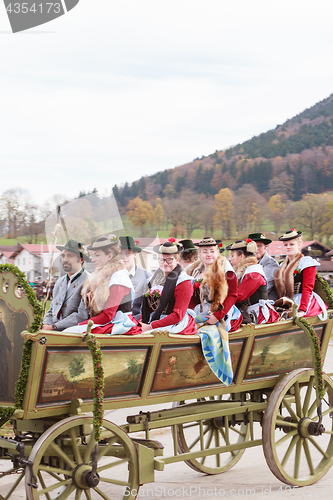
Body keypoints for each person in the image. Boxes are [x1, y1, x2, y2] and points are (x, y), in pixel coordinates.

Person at [66, 235, 141, 335]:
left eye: (97, 255)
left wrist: (81, 325)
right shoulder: (106, 277)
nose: (92, 259)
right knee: (71, 331)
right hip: (110, 322)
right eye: (92, 255)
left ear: (109, 256)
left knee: (72, 332)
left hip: (121, 324)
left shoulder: (118, 277)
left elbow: (108, 316)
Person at [186, 237, 243, 332]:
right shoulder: (196, 272)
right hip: (201, 311)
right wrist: (189, 314)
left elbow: (232, 295)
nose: (209, 255)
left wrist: (217, 316)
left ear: (217, 253)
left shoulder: (226, 270)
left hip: (222, 311)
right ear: (199, 254)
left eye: (212, 251)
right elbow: (194, 297)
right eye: (205, 252)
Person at [141, 240, 197, 334]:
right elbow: (149, 306)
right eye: (162, 259)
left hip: (175, 323)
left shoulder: (183, 282)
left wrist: (150, 326)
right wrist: (141, 323)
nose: (165, 263)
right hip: (155, 318)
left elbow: (178, 316)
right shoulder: (154, 279)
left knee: (145, 334)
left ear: (177, 260)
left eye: (169, 260)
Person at [274, 229, 327, 319]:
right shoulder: (282, 265)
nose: (288, 247)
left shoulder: (306, 262)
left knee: (291, 317)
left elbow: (308, 287)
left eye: (292, 244)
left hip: (302, 300)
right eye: (285, 245)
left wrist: (302, 309)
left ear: (299, 245)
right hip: (286, 300)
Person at [42, 239, 90, 331]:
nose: (65, 259)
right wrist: (46, 324)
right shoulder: (60, 282)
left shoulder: (89, 281)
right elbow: (52, 309)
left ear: (81, 259)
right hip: (53, 331)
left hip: (72, 333)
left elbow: (81, 316)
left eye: (70, 256)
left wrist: (53, 327)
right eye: (63, 256)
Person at [229, 239, 279, 324]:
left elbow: (239, 296)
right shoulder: (245, 270)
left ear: (241, 256)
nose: (230, 259)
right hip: (248, 312)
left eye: (232, 256)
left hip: (259, 314)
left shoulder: (254, 272)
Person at [119, 236, 152, 320]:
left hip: (137, 323)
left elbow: (149, 307)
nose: (124, 257)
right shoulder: (110, 276)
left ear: (135, 254)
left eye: (127, 253)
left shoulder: (147, 276)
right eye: (120, 253)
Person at [248, 232, 279, 301]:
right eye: (253, 247)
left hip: (266, 304)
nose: (256, 249)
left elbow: (263, 288)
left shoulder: (271, 264)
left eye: (259, 246)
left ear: (265, 247)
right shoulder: (247, 263)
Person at [0, 311, 13, 400]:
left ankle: (3, 394)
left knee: (3, 371)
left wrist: (9, 343)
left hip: (2, 351)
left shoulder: (1, 325)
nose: (0, 317)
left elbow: (3, 337)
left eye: (0, 315)